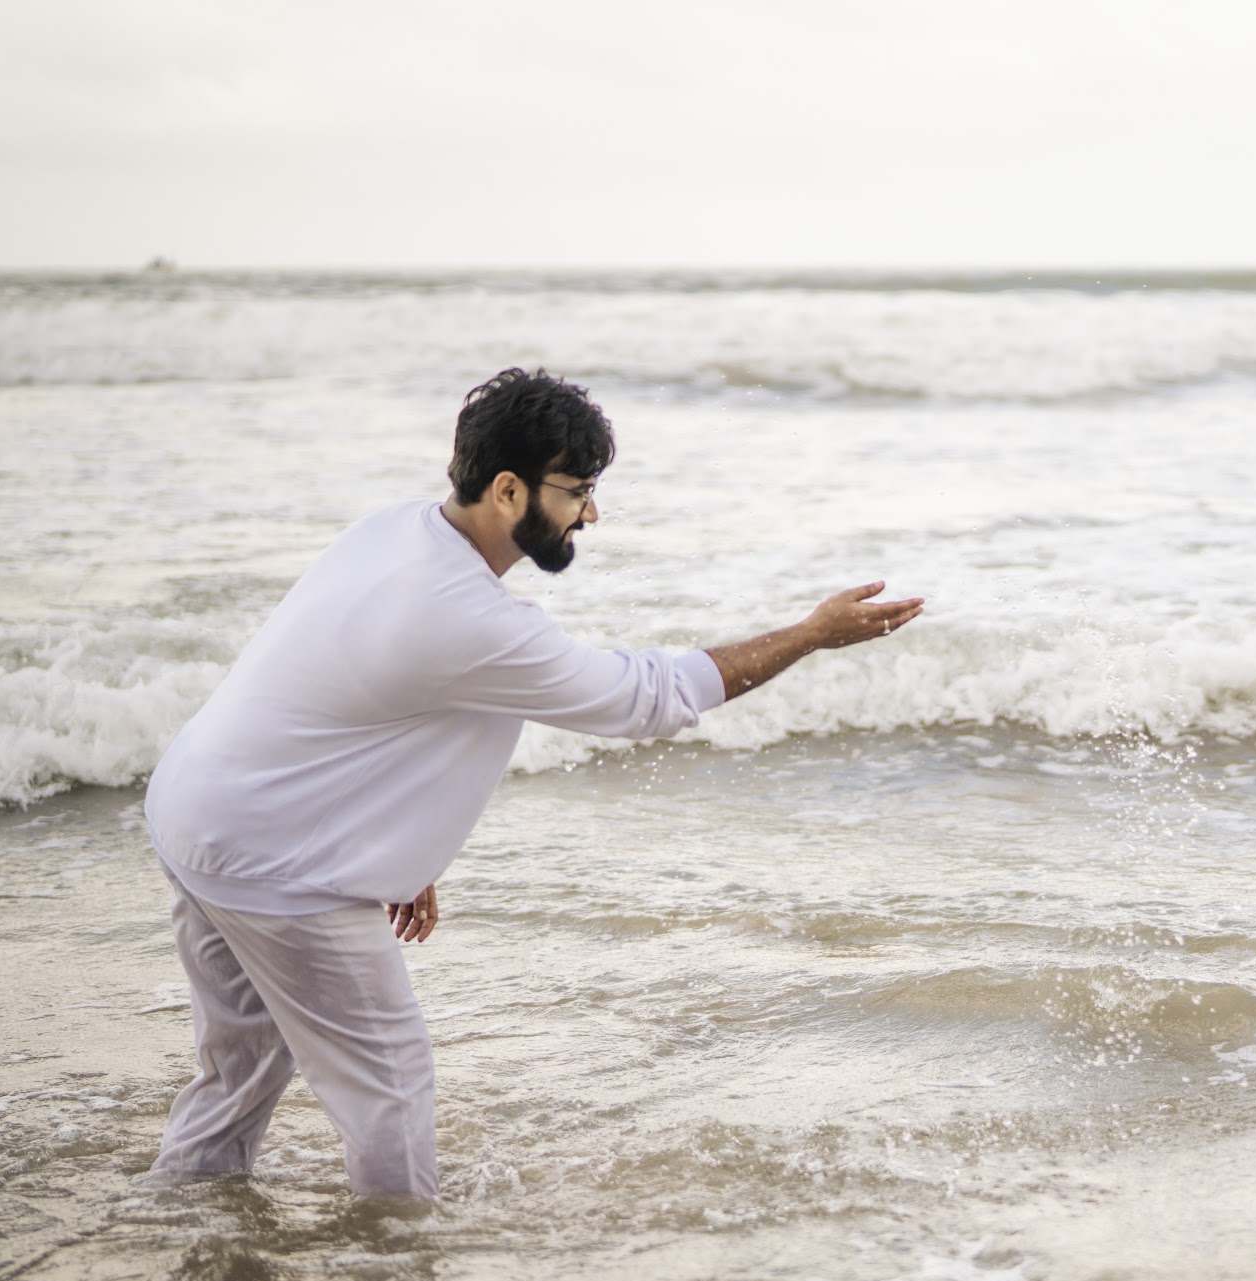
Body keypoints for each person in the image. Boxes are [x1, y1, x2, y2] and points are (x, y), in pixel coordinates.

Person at [142, 368, 922, 1197]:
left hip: (197, 815)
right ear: (508, 489)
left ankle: (182, 1215)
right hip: (276, 867)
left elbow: (352, 705)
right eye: (576, 492)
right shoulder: (469, 617)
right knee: (391, 1086)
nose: (591, 513)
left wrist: (404, 854)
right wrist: (809, 634)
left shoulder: (393, 531)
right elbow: (646, 699)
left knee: (239, 1068)